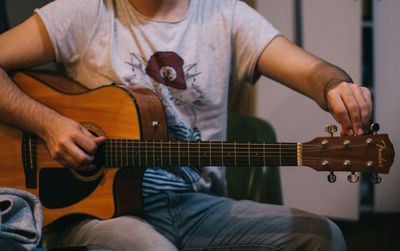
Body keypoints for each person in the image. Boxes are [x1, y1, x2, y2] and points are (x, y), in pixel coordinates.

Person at [0, 0, 371, 250]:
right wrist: (48, 123)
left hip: (199, 205)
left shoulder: (227, 15)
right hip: (94, 212)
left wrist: (335, 86)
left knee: (324, 236)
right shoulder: (83, 13)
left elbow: (312, 71)